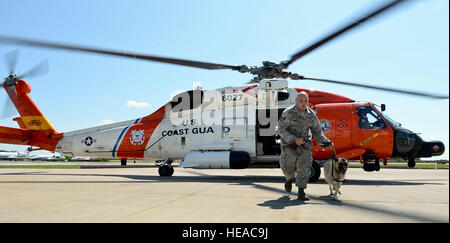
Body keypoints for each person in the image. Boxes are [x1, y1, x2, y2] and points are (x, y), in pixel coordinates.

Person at [276, 91, 332, 201]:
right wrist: (294, 139)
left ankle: (301, 192)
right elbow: (281, 129)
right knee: (288, 168)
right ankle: (288, 180)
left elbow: (317, 131)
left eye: (306, 101)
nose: (303, 103)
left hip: (305, 146)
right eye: (301, 101)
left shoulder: (311, 114)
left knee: (304, 168)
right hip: (289, 146)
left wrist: (325, 142)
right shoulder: (288, 113)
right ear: (296, 101)